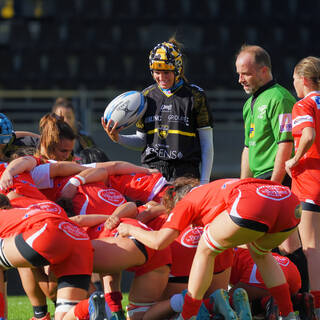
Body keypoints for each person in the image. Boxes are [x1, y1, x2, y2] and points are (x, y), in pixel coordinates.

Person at [117, 178, 301, 319]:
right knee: (261, 255)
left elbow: (159, 242)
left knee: (205, 248)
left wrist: (129, 228)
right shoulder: (213, 190)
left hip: (252, 202)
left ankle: (188, 314)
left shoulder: (187, 202)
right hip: (289, 201)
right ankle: (288, 313)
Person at [235, 44, 309, 293]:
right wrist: (242, 186)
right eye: (238, 73)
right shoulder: (250, 104)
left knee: (287, 243)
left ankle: (302, 298)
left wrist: (274, 185)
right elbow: (248, 148)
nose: (240, 79)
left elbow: (285, 143)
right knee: (258, 244)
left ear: (264, 70)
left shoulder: (280, 98)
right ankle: (272, 298)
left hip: (275, 180)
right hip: (256, 183)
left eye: (245, 73)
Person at [102, 37, 214, 183]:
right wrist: (119, 138)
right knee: (148, 207)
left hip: (185, 174)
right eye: (157, 72)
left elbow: (207, 145)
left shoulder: (195, 96)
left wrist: (204, 181)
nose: (161, 77)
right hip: (152, 172)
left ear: (177, 69)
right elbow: (142, 141)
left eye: (166, 72)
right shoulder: (145, 97)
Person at [0, 193, 93, 320]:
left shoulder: (6, 214)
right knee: (64, 316)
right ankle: (90, 305)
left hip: (47, 231)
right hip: (78, 236)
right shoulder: (34, 205)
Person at [285, 56, 320, 319]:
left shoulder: (303, 104)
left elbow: (307, 135)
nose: (293, 84)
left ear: (305, 80)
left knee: (310, 245)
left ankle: (315, 305)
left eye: (295, 79)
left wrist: (294, 160)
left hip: (311, 182)